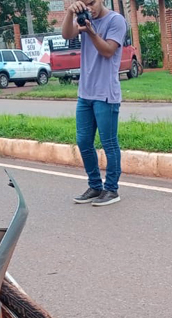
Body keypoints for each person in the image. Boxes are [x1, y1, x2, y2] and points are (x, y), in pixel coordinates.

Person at [62, 0, 127, 207]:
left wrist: (91, 32)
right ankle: (95, 186)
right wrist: (70, 14)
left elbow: (108, 51)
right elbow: (66, 35)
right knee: (83, 142)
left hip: (105, 93)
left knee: (108, 143)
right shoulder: (83, 20)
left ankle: (111, 189)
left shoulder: (116, 21)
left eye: (92, 2)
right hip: (85, 93)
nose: (89, 6)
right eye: (84, 2)